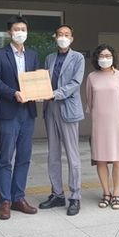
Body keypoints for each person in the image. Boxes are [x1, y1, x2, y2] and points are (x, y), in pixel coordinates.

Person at [0, 15, 40, 220]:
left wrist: (39, 91)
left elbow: (36, 80)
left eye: (23, 29)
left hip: (28, 112)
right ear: (9, 32)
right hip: (9, 111)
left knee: (24, 157)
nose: (20, 33)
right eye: (17, 29)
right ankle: (5, 200)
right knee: (6, 158)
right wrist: (13, 93)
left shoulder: (33, 55)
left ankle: (18, 197)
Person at [39, 25, 85, 216]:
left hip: (67, 107)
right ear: (55, 37)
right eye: (60, 34)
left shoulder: (78, 58)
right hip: (50, 108)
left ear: (72, 38)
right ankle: (57, 193)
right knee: (53, 153)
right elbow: (43, 80)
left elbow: (75, 83)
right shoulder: (50, 58)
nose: (63, 37)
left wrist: (55, 93)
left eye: (66, 35)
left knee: (72, 155)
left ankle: (75, 196)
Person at [85, 44, 119, 211]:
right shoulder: (92, 77)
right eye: (101, 56)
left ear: (113, 57)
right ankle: (106, 192)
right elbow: (89, 101)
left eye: (108, 56)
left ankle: (116, 193)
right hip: (99, 122)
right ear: (97, 58)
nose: (105, 59)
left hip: (117, 122)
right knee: (101, 159)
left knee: (118, 159)